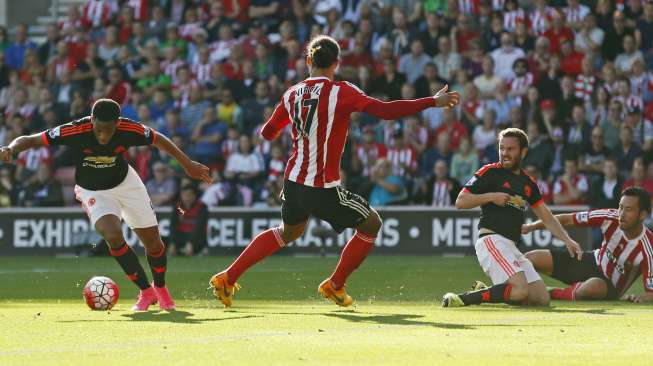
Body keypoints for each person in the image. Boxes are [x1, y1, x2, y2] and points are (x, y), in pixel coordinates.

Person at [208, 35, 460, 308]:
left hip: (293, 181)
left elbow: (267, 133)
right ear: (336, 63)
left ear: (308, 61)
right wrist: (431, 102)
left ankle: (228, 277)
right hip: (322, 187)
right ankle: (335, 284)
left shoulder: (292, 93)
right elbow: (385, 111)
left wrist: (296, 124)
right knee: (371, 223)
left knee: (287, 233)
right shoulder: (342, 91)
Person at [0, 99, 211, 311]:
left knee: (154, 244)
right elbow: (32, 139)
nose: (103, 136)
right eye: (99, 130)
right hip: (93, 191)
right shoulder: (74, 131)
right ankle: (146, 292)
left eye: (108, 131)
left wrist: (187, 164)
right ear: (91, 121)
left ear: (118, 123)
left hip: (127, 184)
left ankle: (161, 288)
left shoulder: (129, 129)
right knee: (112, 235)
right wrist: (11, 148)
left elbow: (158, 138)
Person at [442, 128, 582, 308]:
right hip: (491, 241)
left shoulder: (528, 183)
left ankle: (488, 291)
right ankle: (462, 299)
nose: (504, 153)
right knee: (520, 291)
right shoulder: (490, 172)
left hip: (511, 247)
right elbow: (461, 201)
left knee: (540, 299)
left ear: (523, 152)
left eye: (510, 149)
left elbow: (546, 216)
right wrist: (491, 196)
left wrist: (567, 240)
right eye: (502, 148)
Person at [522, 187, 653, 303]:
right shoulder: (609, 217)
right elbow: (568, 219)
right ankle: (513, 290)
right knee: (530, 258)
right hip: (592, 261)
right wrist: (532, 226)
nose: (622, 214)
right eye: (621, 207)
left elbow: (650, 291)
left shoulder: (648, 248)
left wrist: (640, 298)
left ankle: (550, 293)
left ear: (642, 215)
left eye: (628, 209)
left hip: (608, 286)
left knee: (594, 287)